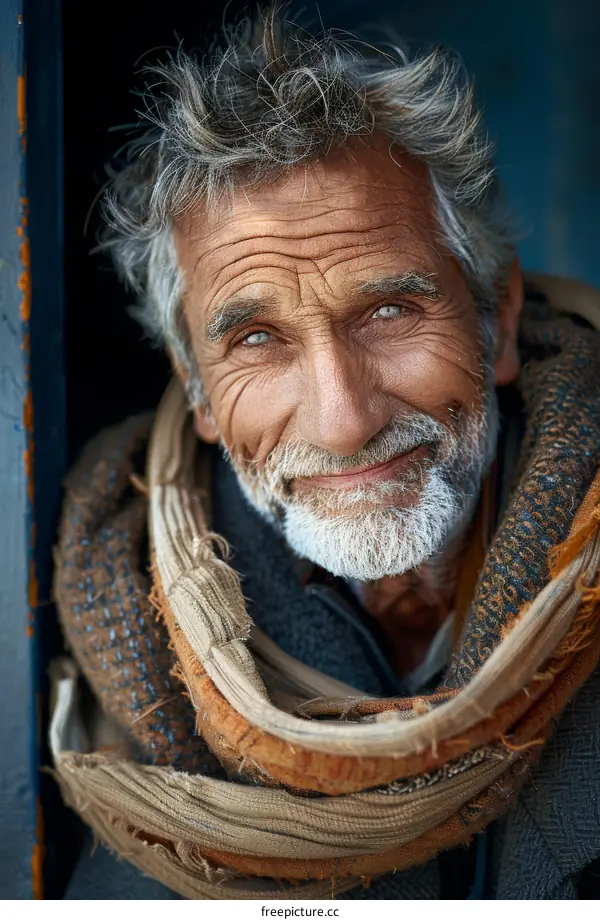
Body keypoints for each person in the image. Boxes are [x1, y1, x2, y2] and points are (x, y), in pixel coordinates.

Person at [53, 8, 600, 899]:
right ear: (196, 389)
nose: (344, 422)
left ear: (495, 322)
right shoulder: (129, 634)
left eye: (389, 312)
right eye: (259, 338)